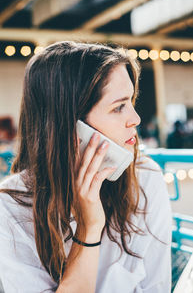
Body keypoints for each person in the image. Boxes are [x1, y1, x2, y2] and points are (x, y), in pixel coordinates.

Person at [0, 41, 172, 293]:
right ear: (70, 126)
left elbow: (157, 286)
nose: (135, 119)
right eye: (118, 107)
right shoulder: (11, 209)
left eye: (131, 102)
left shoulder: (145, 179)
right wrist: (88, 229)